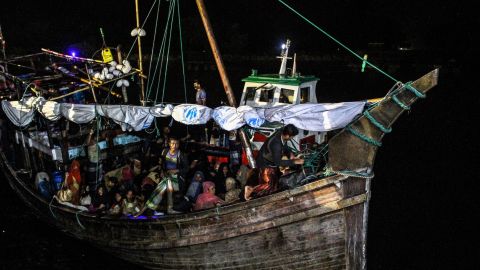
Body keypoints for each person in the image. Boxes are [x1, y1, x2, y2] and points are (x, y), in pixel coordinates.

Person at [253, 124, 304, 197]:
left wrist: (291, 154)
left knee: (275, 184)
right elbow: (278, 162)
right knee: (268, 188)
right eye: (292, 136)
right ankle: (251, 190)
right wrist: (294, 161)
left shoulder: (281, 132)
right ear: (287, 135)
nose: (292, 138)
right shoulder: (276, 144)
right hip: (264, 164)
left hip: (271, 162)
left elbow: (285, 145)